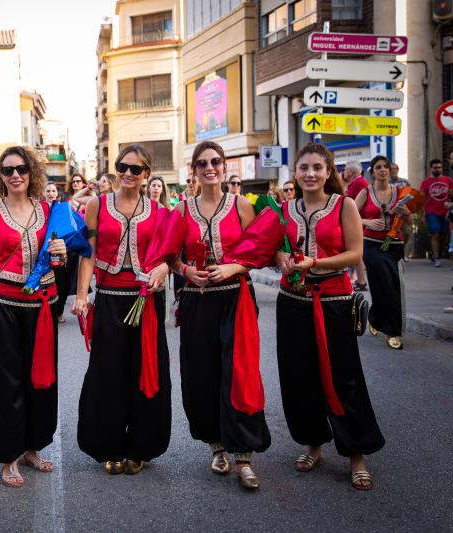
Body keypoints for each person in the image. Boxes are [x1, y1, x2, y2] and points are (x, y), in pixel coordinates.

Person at [227, 142, 384, 491]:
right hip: (292, 301)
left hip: (334, 300)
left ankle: (357, 453)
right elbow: (265, 248)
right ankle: (313, 444)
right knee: (300, 378)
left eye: (317, 167)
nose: (310, 174)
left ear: (329, 172)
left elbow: (355, 253)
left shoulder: (343, 205)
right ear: (295, 173)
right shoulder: (282, 209)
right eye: (304, 168)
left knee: (345, 377)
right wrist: (280, 256)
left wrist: (315, 263)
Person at [169, 141, 270, 490]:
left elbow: (260, 252)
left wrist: (233, 268)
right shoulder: (182, 210)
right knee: (202, 375)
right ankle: (216, 447)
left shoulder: (242, 205)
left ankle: (243, 456)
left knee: (238, 373)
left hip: (235, 299)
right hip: (197, 301)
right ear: (193, 171)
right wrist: (184, 270)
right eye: (202, 163)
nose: (209, 167)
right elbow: (171, 256)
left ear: (224, 167)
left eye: (215, 161)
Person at [72, 143, 171, 476]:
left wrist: (165, 269)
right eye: (122, 166)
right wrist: (82, 294)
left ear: (147, 175)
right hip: (111, 298)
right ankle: (109, 445)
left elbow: (169, 255)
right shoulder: (97, 205)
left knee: (145, 372)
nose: (127, 173)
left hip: (147, 301)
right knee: (108, 375)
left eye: (136, 169)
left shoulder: (159, 211)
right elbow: (88, 252)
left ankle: (140, 446)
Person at [0, 145, 66, 487]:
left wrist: (61, 254)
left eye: (21, 169)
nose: (15, 175)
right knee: (5, 385)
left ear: (32, 173)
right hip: (4, 307)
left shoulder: (49, 210)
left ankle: (32, 446)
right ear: (0, 175)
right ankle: (8, 454)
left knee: (40, 380)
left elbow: (59, 262)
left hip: (42, 308)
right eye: (8, 170)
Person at [355, 155, 412, 350]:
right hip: (371, 245)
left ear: (390, 170)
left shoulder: (401, 192)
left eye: (385, 166)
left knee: (393, 286)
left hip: (395, 245)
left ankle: (391, 331)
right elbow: (349, 216)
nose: (382, 170)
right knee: (381, 285)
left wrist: (407, 214)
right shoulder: (365, 192)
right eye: (378, 167)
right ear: (372, 172)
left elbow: (410, 224)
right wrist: (367, 222)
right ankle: (378, 320)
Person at [421, 159, 453, 267]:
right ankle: (436, 257)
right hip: (431, 212)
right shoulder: (425, 182)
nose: (437, 169)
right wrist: (422, 214)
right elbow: (421, 199)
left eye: (439, 167)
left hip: (446, 212)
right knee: (435, 234)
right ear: (431, 168)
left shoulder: (448, 180)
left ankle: (437, 254)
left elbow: (452, 195)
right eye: (435, 167)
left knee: (444, 234)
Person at [342, 161, 368, 291]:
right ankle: (360, 280)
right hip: (358, 222)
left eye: (345, 169)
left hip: (359, 223)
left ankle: (361, 281)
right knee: (356, 253)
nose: (344, 172)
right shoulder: (356, 183)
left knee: (355, 253)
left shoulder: (359, 183)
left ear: (351, 171)